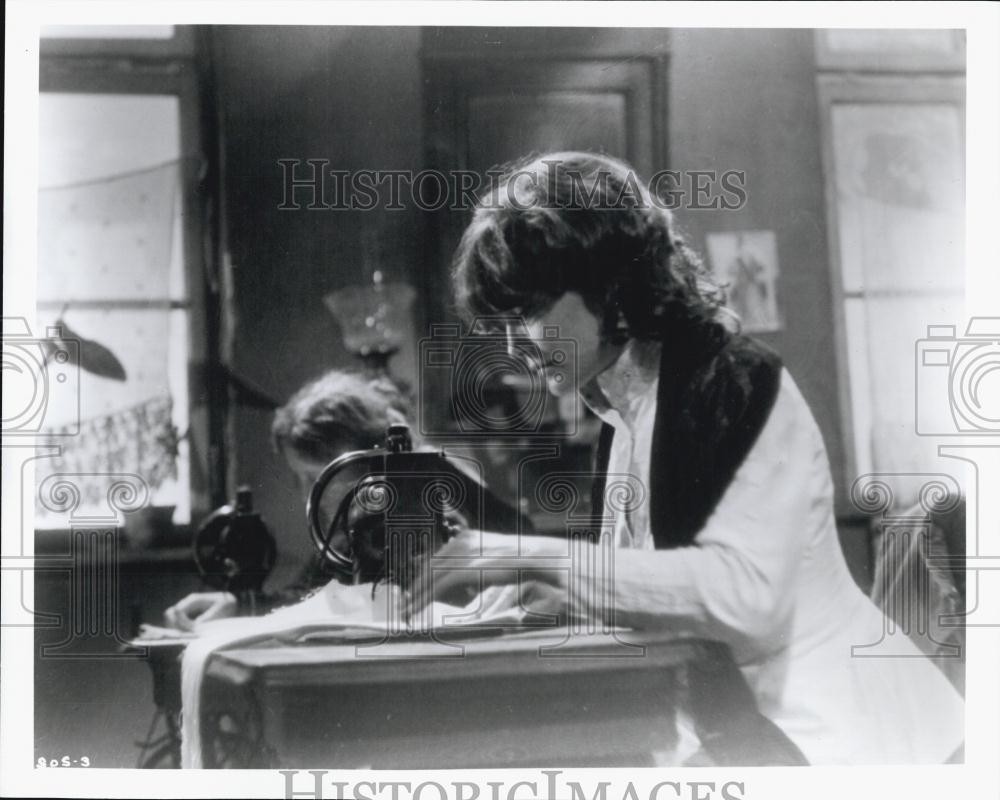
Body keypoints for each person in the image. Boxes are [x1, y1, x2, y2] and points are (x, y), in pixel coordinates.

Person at [421, 151, 964, 765]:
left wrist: (541, 559)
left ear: (609, 282)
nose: (516, 347)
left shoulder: (733, 379)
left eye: (533, 313)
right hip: (753, 739)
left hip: (860, 748)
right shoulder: (620, 412)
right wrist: (556, 591)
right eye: (504, 324)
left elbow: (743, 597)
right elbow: (660, 585)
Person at [163, 370, 415, 630]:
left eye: (316, 476)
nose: (308, 495)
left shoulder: (412, 525)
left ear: (367, 464)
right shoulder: (342, 537)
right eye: (300, 479)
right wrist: (238, 605)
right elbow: (308, 599)